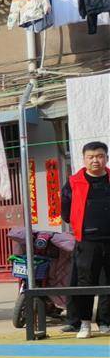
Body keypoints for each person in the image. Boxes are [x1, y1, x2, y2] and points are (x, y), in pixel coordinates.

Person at [61, 140, 110, 338]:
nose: (95, 160)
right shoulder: (73, 183)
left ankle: (106, 322)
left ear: (106, 158)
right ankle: (84, 324)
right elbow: (65, 211)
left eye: (99, 156)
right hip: (87, 241)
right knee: (85, 283)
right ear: (84, 159)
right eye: (91, 157)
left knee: (109, 282)